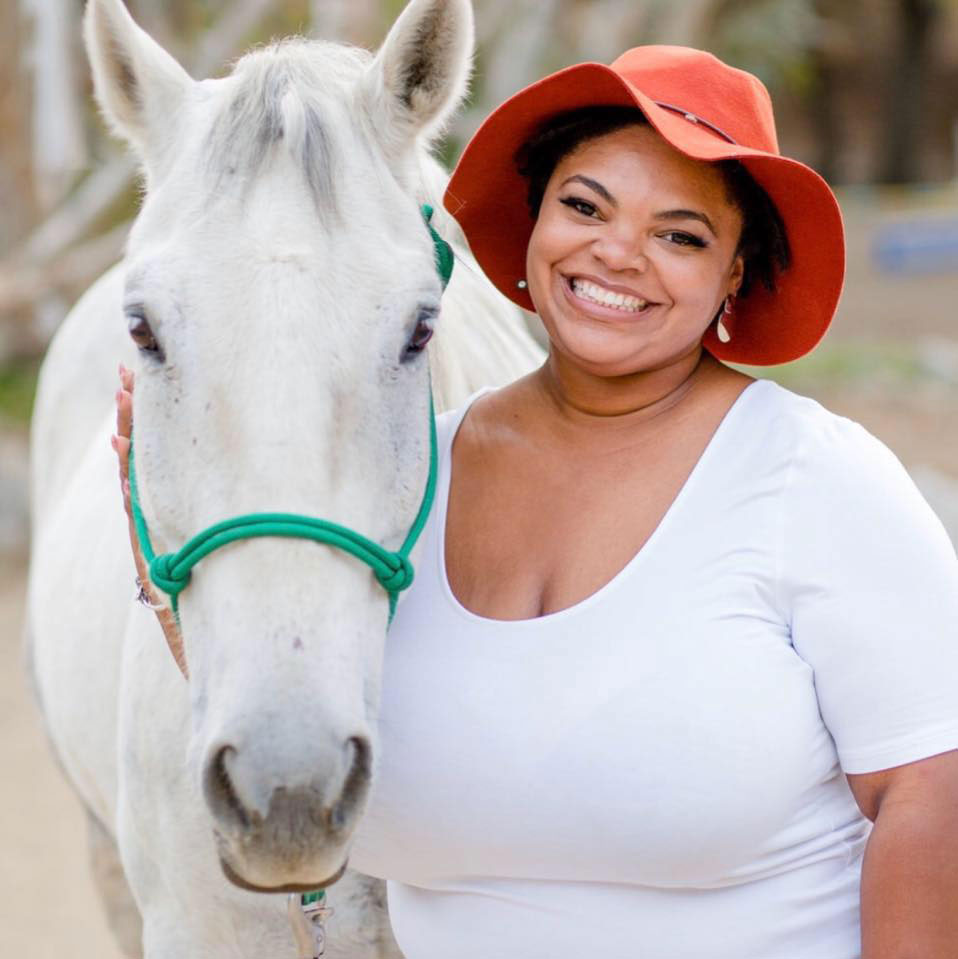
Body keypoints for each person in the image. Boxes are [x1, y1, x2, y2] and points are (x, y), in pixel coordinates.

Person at [115, 46, 958, 959]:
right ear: (533, 223)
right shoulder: (402, 491)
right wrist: (177, 593)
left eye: (680, 235)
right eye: (585, 206)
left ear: (735, 277)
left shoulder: (817, 481)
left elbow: (931, 795)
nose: (618, 252)